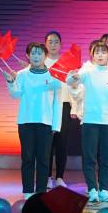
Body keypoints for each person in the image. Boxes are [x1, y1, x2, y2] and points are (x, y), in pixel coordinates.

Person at [4, 42, 63, 198]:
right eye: (33, 53)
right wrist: (11, 82)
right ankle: (28, 191)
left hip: (46, 123)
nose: (36, 56)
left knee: (43, 160)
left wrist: (56, 125)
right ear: (27, 56)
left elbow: (57, 101)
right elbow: (15, 94)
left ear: (45, 56)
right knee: (27, 158)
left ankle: (41, 192)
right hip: (26, 121)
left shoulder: (53, 75)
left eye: (39, 53)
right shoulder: (22, 74)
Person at [67, 40, 108, 203]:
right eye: (96, 52)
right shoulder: (87, 72)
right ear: (92, 55)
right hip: (90, 120)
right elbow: (71, 82)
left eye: (103, 52)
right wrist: (72, 77)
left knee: (106, 158)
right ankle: (92, 189)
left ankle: (104, 190)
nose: (100, 55)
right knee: (89, 157)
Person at [44, 31, 75, 189]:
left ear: (61, 44)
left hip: (63, 104)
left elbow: (73, 86)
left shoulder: (67, 62)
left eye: (56, 42)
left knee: (62, 143)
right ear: (45, 44)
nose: (53, 44)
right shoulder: (41, 62)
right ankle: (47, 176)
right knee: (48, 143)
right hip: (46, 106)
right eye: (50, 42)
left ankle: (60, 177)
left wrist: (74, 107)